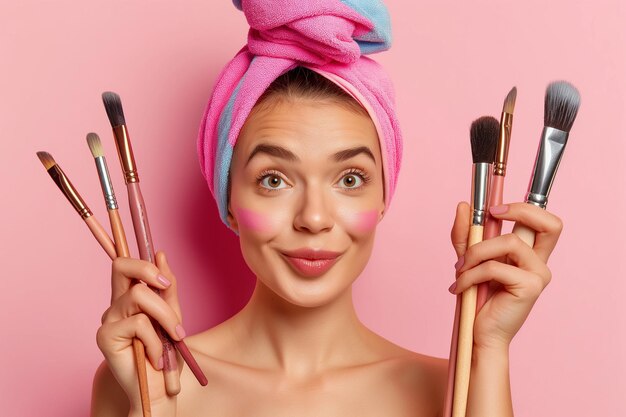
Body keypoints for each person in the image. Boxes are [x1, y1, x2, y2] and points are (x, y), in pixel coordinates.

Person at [91, 2, 563, 416]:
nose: (314, 218)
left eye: (350, 179)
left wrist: (488, 350)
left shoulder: (452, 392)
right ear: (228, 201)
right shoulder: (145, 380)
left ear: (383, 198)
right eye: (273, 180)